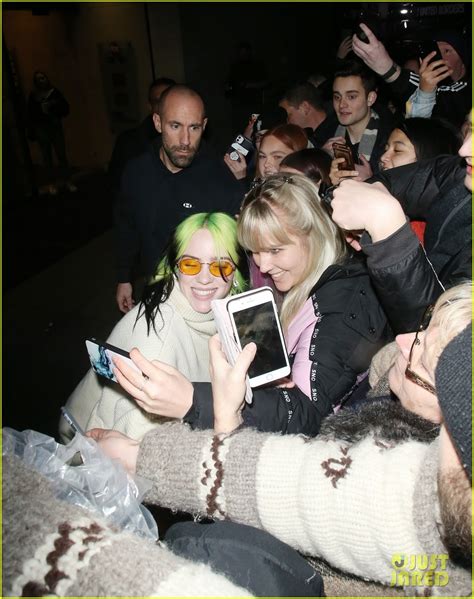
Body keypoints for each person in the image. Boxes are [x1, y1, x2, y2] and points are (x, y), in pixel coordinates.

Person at [79, 283, 472, 597]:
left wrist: (140, 456)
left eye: (420, 355)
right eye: (422, 330)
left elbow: (294, 490)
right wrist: (228, 414)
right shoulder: (391, 388)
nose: (403, 339)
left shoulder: (426, 506)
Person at [105, 174, 389, 437]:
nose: (263, 265)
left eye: (275, 250)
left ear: (314, 235)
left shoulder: (342, 305)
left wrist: (192, 401)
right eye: (254, 251)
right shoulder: (314, 281)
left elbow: (309, 415)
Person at [60, 212, 247, 443]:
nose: (205, 278)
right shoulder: (158, 345)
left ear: (235, 273)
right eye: (190, 265)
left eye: (221, 265)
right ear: (175, 268)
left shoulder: (220, 314)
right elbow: (136, 447)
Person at [329, 109, 472, 335]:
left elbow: (439, 338)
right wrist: (361, 191)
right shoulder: (460, 175)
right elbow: (416, 179)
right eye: (471, 131)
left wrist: (389, 235)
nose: (465, 149)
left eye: (398, 150)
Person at [115, 85, 245, 313]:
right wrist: (124, 277)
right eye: (175, 126)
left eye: (194, 128)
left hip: (204, 299)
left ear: (204, 126)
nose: (185, 140)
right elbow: (127, 227)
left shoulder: (221, 181)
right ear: (157, 122)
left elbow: (237, 254)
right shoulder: (136, 172)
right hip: (152, 291)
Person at [352, 24, 471, 129]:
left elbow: (443, 98)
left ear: (463, 62)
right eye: (435, 50)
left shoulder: (466, 92)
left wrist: (387, 68)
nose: (439, 56)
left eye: (447, 51)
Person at [323, 59, 394, 179]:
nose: (342, 105)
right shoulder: (325, 132)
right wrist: (322, 159)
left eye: (351, 97)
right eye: (337, 97)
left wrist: (371, 181)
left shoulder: (389, 138)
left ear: (370, 98)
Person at [108, 77, 176, 194]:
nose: (165, 107)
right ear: (150, 106)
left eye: (172, 101)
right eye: (158, 102)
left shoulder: (190, 139)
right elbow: (116, 186)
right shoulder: (128, 142)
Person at [26, 70, 75, 194]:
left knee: (61, 155)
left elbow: (65, 109)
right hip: (42, 129)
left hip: (54, 127)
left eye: (43, 78)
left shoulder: (54, 93)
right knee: (47, 158)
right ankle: (52, 183)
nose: (41, 80)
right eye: (39, 79)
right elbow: (30, 114)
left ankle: (67, 181)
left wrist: (53, 106)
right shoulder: (33, 96)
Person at [279, 81, 338, 147]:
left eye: (289, 115)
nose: (287, 122)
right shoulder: (309, 139)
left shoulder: (339, 132)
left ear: (305, 107)